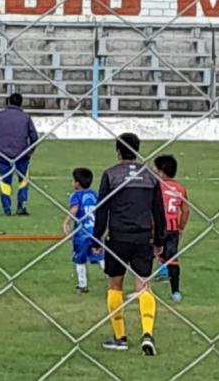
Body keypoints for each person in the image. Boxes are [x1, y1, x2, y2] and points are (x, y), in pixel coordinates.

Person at [93, 133, 166, 356]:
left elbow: (102, 209)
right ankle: (147, 334)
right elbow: (158, 211)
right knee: (143, 286)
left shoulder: (110, 175)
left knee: (115, 286)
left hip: (118, 238)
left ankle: (120, 337)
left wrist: (97, 238)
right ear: (136, 150)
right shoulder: (150, 177)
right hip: (143, 237)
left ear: (118, 151)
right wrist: (160, 240)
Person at [0, 93, 39, 216]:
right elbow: (34, 137)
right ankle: (21, 205)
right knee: (23, 180)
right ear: (21, 103)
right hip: (21, 153)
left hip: (2, 154)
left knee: (4, 181)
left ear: (8, 102)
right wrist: (30, 150)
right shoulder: (26, 117)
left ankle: (7, 209)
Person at [63, 168, 105, 294]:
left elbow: (75, 209)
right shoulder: (94, 194)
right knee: (100, 256)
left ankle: (82, 285)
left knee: (79, 259)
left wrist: (66, 222)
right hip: (95, 230)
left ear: (77, 183)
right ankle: (112, 278)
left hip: (81, 233)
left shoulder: (76, 195)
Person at [154, 155, 189, 303]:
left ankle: (144, 288)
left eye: (156, 169)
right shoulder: (180, 188)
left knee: (149, 255)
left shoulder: (157, 186)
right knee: (173, 258)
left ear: (161, 172)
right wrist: (181, 228)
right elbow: (186, 210)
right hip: (173, 228)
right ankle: (175, 292)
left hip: (158, 227)